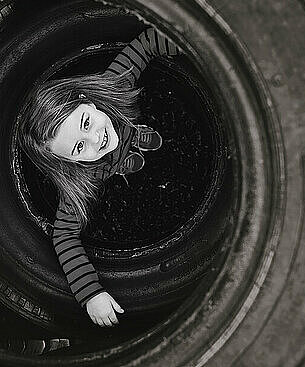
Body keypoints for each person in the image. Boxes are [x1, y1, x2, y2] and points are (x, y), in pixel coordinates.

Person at [18, 26, 182, 327]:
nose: (94, 139)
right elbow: (64, 236)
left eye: (84, 122)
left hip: (123, 124)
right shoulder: (81, 178)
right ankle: (124, 163)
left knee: (127, 137)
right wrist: (90, 293)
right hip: (105, 168)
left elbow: (145, 44)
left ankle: (135, 137)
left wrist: (192, 42)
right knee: (116, 162)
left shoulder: (111, 84)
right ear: (68, 161)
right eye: (79, 147)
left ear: (87, 101)